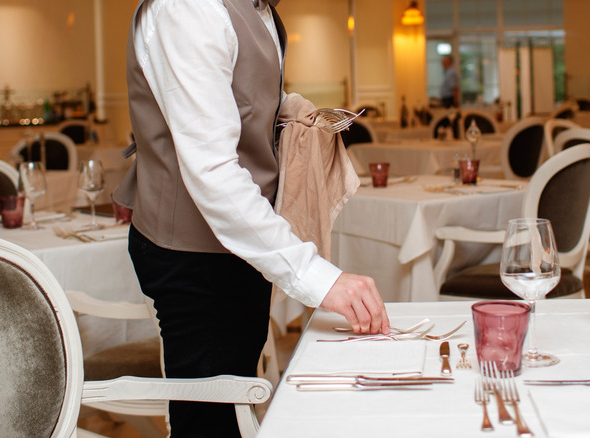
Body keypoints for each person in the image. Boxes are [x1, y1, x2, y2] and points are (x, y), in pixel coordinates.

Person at [114, 0, 390, 436]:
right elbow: (213, 172)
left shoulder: (254, 9)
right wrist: (319, 277)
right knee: (208, 422)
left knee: (235, 405)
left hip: (238, 246)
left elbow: (234, 97)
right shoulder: (186, 9)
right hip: (191, 254)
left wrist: (288, 109)